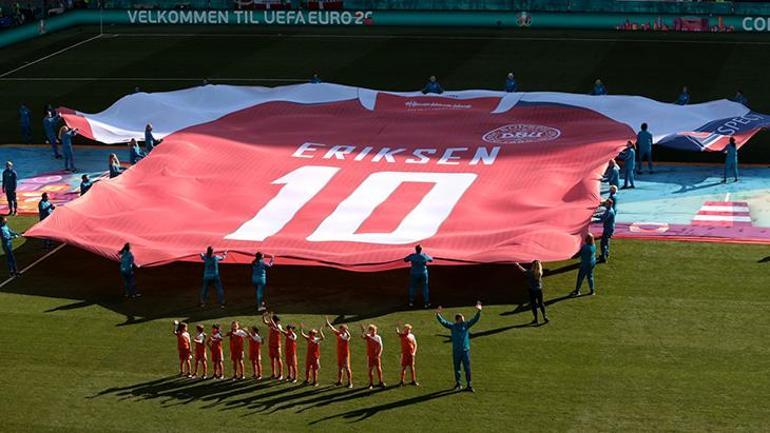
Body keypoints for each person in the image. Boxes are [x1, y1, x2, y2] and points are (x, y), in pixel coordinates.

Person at [436, 302, 482, 392]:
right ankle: (458, 383)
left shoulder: (465, 325)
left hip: (465, 351)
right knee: (457, 368)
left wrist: (479, 311)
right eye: (462, 318)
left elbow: (475, 319)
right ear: (458, 320)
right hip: (457, 351)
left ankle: (469, 384)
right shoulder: (453, 326)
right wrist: (438, 314)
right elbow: (443, 322)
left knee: (467, 368)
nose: (464, 319)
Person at [325, 316, 353, 388]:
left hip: (345, 354)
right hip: (340, 354)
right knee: (340, 368)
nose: (340, 330)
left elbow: (349, 336)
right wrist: (328, 322)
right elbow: (332, 328)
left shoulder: (346, 336)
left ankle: (350, 383)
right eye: (340, 329)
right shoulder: (339, 334)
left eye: (342, 329)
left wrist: (346, 330)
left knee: (347, 368)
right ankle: (339, 381)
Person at [404, 244, 433, 308]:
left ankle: (411, 302)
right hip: (423, 273)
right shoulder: (424, 256)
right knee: (425, 287)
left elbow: (405, 259)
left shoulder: (412, 256)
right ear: (421, 249)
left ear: (416, 249)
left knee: (413, 287)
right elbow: (431, 259)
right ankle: (426, 302)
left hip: (414, 273)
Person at [360, 323, 385, 389]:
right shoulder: (368, 336)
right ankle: (371, 383)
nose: (374, 332)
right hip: (370, 356)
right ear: (370, 331)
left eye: (375, 330)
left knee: (379, 369)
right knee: (370, 369)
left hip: (376, 356)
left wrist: (379, 354)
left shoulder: (378, 337)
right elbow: (362, 337)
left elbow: (381, 346)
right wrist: (363, 331)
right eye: (372, 330)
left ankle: (381, 381)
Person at [262, 312, 284, 380]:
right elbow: (265, 322)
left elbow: (275, 326)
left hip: (277, 345)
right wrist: (263, 316)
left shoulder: (279, 326)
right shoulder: (271, 324)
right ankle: (274, 373)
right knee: (272, 359)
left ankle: (281, 374)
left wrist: (270, 318)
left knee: (278, 359)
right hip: (271, 344)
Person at [596, 198, 615, 263]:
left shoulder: (609, 211)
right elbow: (603, 216)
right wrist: (597, 215)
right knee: (607, 242)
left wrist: (594, 219)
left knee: (603, 243)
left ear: (609, 204)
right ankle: (606, 253)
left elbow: (603, 219)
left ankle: (603, 258)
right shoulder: (610, 210)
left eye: (606, 204)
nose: (605, 205)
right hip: (610, 228)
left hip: (608, 229)